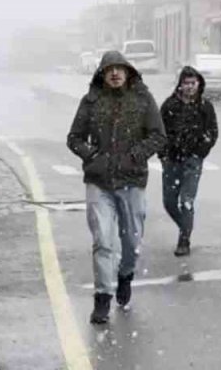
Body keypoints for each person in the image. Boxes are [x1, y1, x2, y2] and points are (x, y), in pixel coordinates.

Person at [67, 50, 165, 325]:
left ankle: (125, 275)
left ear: (128, 71)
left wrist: (135, 155)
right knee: (102, 241)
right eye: (109, 69)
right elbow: (74, 138)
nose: (114, 73)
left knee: (131, 241)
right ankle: (102, 297)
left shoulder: (143, 99)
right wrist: (91, 155)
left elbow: (158, 136)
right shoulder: (91, 101)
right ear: (102, 74)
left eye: (119, 69)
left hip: (132, 181)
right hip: (99, 182)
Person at [160, 66, 218, 257]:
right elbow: (159, 132)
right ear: (180, 84)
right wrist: (163, 155)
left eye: (193, 83)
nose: (190, 87)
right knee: (169, 202)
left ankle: (184, 239)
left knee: (186, 200)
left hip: (193, 160)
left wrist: (200, 151)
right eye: (186, 83)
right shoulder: (170, 105)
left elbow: (212, 132)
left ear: (198, 84)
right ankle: (185, 226)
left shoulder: (205, 107)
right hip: (172, 160)